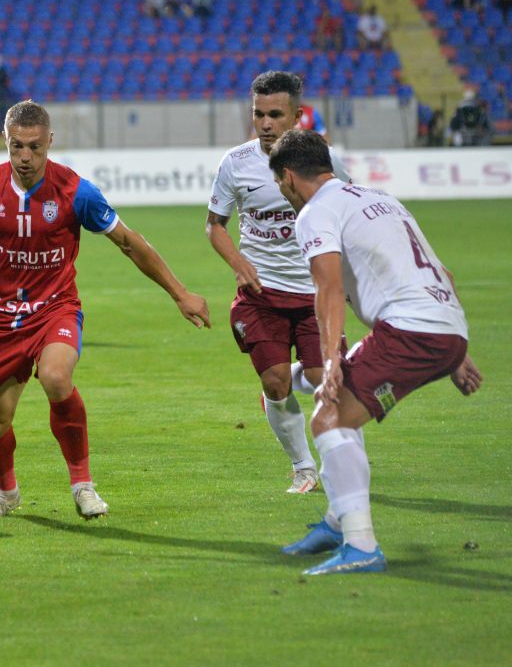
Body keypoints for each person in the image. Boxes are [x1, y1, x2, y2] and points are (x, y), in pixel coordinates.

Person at [0, 100, 211, 520]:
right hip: (1, 319)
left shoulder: (76, 191)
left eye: (34, 147)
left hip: (56, 309)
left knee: (55, 376)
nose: (25, 157)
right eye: (16, 146)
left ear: (50, 141)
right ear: (5, 141)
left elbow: (129, 242)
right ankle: (6, 493)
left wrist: (179, 293)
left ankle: (83, 485)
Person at [269, 130, 482, 575]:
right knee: (333, 403)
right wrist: (457, 355)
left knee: (329, 417)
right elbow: (441, 272)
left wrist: (331, 360)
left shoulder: (316, 212)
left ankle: (361, 546)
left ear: (288, 177)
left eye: (279, 184)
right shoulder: (380, 198)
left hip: (411, 331)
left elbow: (328, 289)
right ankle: (337, 522)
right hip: (446, 327)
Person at [206, 72, 350, 495]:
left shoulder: (323, 159)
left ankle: (295, 373)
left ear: (296, 115)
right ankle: (304, 468)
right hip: (261, 295)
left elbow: (350, 213)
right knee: (274, 383)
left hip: (314, 294)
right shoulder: (236, 162)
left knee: (326, 381)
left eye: (275, 115)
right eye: (258, 114)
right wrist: (238, 262)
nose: (265, 124)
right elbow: (214, 225)